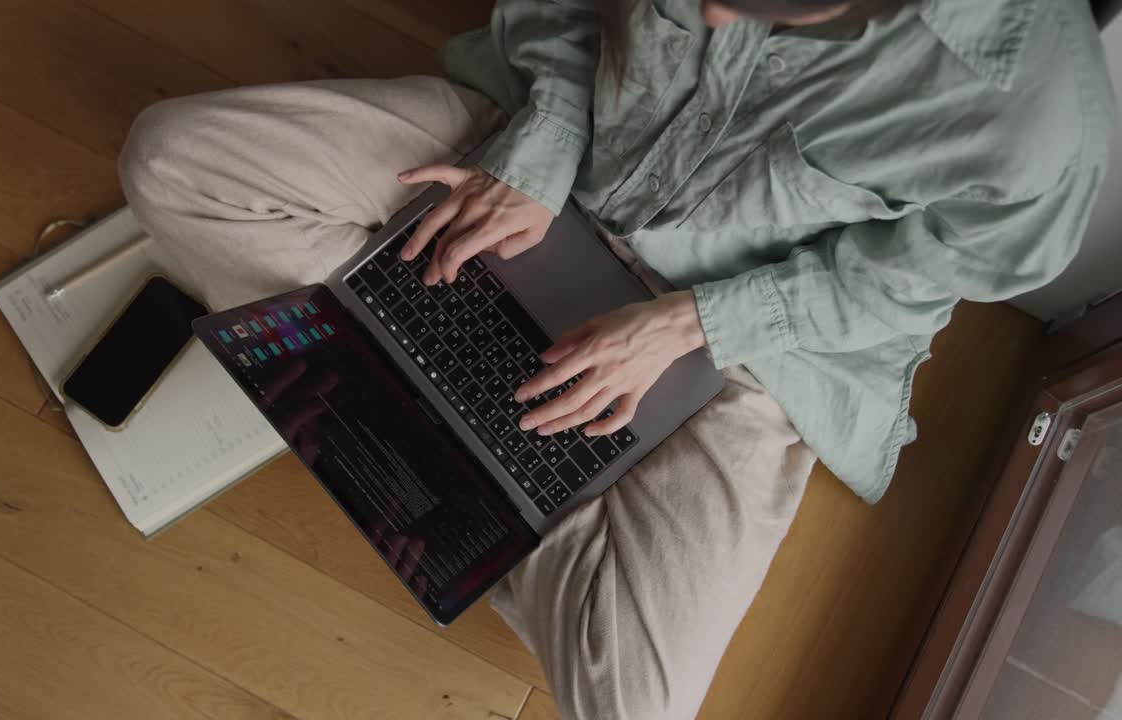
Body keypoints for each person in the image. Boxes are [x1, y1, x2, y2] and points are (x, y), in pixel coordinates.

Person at [118, 0, 1114, 716]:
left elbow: (912, 278)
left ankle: (462, 448)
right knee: (172, 161)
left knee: (631, 704)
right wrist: (538, 153)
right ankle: (479, 440)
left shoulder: (1035, 119)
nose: (710, 21)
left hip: (748, 328)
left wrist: (691, 325)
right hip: (551, 166)